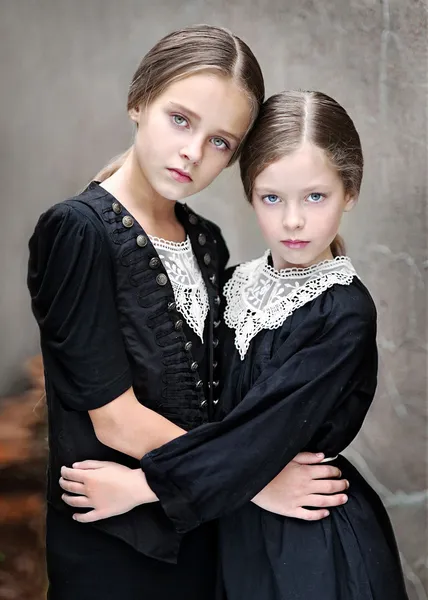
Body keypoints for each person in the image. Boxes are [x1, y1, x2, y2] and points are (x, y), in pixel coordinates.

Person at [28, 24, 347, 600]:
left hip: (202, 527)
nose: (193, 153)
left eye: (221, 142)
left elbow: (216, 398)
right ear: (138, 100)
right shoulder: (77, 231)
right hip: (115, 541)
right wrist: (257, 482)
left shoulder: (206, 239)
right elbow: (115, 420)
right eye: (181, 120)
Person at [61, 90, 409, 600]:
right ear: (250, 195)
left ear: (349, 192)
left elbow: (258, 435)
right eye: (272, 198)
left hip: (305, 540)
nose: (293, 221)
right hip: (234, 523)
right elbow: (194, 405)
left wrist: (139, 488)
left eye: (316, 196)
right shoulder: (231, 284)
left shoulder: (342, 313)